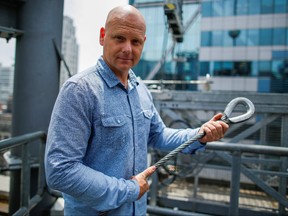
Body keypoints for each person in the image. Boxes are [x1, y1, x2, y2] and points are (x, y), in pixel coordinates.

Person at [45, 4, 229, 216]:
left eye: (135, 42)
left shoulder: (141, 90)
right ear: (102, 36)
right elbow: (61, 171)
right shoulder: (79, 91)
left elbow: (158, 135)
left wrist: (199, 135)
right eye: (119, 38)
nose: (127, 49)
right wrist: (129, 190)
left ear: (144, 43)